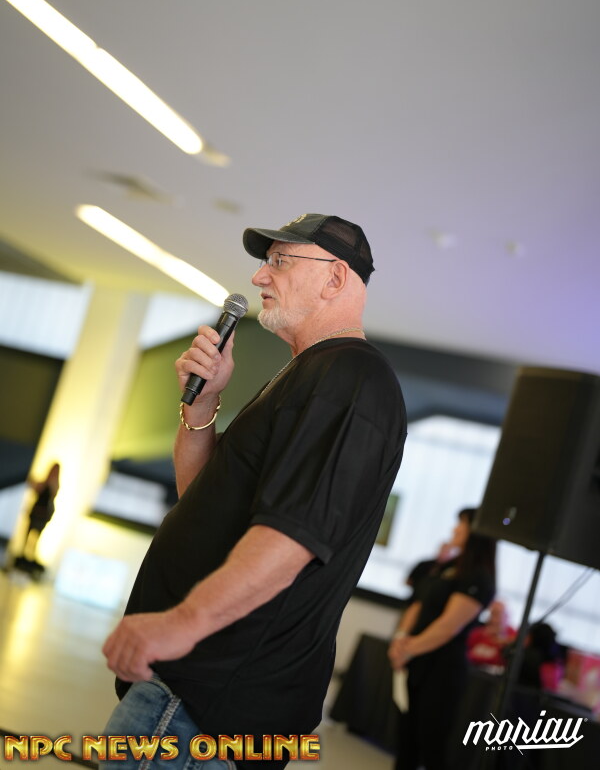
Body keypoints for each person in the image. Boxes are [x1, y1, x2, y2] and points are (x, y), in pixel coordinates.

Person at [101, 213, 407, 769]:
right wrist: (203, 404)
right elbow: (202, 499)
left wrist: (181, 623)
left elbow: (292, 537)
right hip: (191, 696)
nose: (260, 276)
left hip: (206, 705)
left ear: (335, 278)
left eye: (280, 262)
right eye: (266, 262)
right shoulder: (306, 375)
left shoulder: (350, 379)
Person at [388, 507, 496, 770]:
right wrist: (401, 639)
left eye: (462, 525)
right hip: (416, 661)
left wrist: (408, 649)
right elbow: (418, 604)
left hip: (442, 669)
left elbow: (449, 626)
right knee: (406, 741)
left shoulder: (479, 577)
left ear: (477, 532)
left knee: (431, 742)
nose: (455, 529)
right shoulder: (446, 566)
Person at [12, 460, 60, 575]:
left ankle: (29, 559)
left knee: (35, 539)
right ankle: (24, 558)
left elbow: (49, 493)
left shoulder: (54, 485)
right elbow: (34, 486)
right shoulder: (46, 483)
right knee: (27, 537)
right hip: (36, 514)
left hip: (42, 516)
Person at [467, 599, 516, 670]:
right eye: (492, 613)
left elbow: (506, 660)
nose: (494, 619)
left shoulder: (513, 635)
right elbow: (467, 655)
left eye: (498, 614)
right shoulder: (478, 633)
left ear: (507, 615)